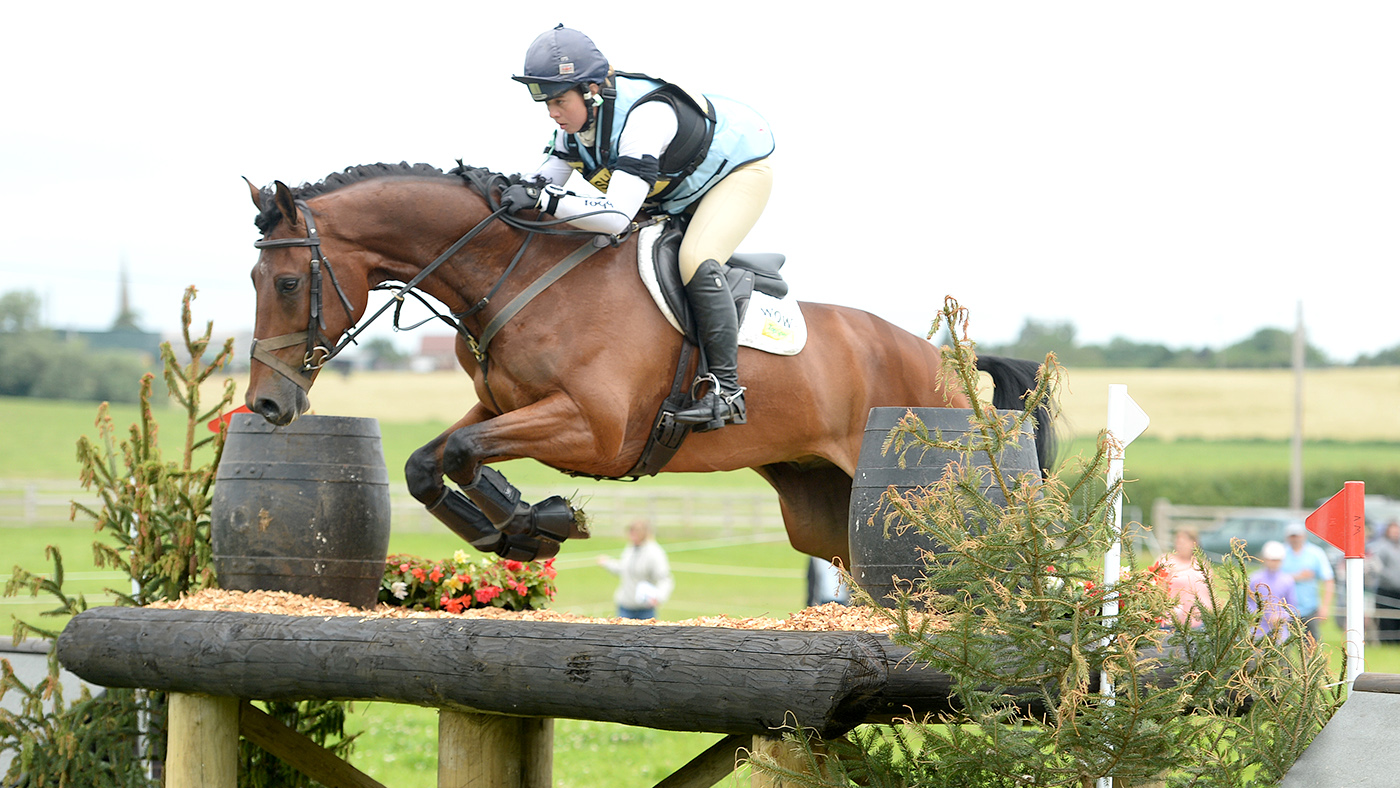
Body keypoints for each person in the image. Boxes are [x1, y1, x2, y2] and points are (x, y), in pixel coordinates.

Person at [502, 25, 776, 432]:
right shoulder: (575, 128)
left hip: (735, 172)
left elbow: (614, 217)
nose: (552, 113)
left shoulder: (645, 118)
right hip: (674, 186)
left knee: (695, 258)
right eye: (545, 102)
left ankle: (728, 393)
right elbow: (540, 182)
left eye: (559, 100)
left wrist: (545, 201)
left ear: (592, 90)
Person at [597, 519, 674, 619]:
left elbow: (665, 579)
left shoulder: (654, 553)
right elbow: (623, 569)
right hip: (625, 607)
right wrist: (607, 563)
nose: (632, 535)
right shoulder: (630, 548)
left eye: (636, 532)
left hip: (645, 609)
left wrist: (659, 597)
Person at [1279, 521, 1335, 644]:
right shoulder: (1281, 553)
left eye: (1297, 536)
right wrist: (1297, 576)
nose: (1295, 539)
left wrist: (1325, 606)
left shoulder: (1316, 553)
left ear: (1304, 536)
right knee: (1282, 647)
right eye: (1292, 536)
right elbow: (1273, 577)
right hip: (1284, 609)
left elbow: (1328, 579)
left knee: (1311, 645)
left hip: (1310, 608)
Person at [1154, 527, 1212, 628]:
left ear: (1194, 544)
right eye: (1179, 542)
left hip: (1199, 619)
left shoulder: (1202, 565)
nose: (1181, 546)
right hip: (1172, 618)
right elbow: (1156, 585)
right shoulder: (1166, 561)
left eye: (1185, 542)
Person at [1248, 540, 1298, 642]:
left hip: (1279, 634)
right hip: (1257, 632)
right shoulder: (1254, 579)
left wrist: (1281, 616)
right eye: (1271, 560)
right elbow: (1248, 603)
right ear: (1265, 559)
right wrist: (1256, 615)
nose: (1274, 563)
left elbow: (1292, 606)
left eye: (1277, 560)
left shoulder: (1287, 580)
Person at [1369, 520, 1400, 641]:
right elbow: (1377, 568)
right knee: (1387, 618)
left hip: (1398, 590)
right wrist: (1391, 578)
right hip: (1386, 589)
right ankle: (1387, 641)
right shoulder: (1379, 547)